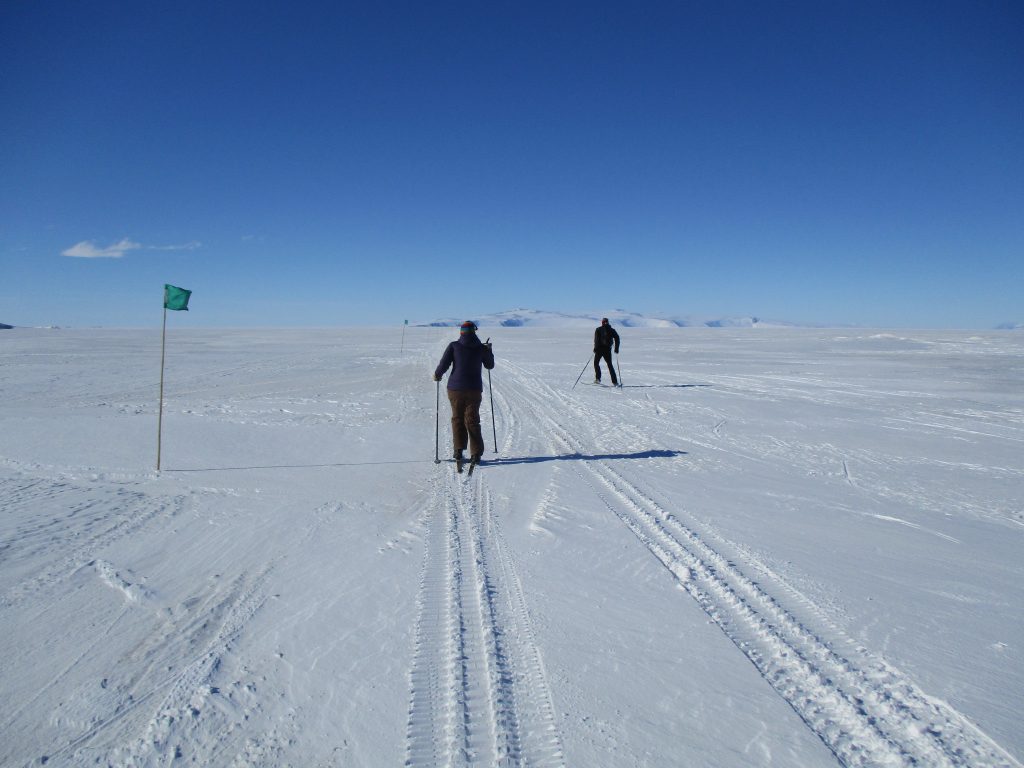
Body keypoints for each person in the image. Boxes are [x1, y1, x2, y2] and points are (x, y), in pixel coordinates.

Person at [434, 321, 495, 472]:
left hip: (455, 389)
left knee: (457, 418)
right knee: (472, 420)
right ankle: (475, 454)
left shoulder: (454, 346)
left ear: (461, 332)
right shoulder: (481, 347)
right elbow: (489, 365)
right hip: (474, 390)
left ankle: (458, 450)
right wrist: (489, 351)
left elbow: (444, 364)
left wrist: (437, 375)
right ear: (474, 332)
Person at [593, 317, 620, 386]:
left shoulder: (598, 329)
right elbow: (617, 338)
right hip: (607, 350)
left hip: (599, 350)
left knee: (596, 363)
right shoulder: (611, 330)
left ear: (602, 322)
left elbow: (596, 340)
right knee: (610, 365)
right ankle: (615, 382)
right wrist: (616, 349)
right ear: (608, 322)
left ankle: (598, 379)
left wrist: (595, 348)